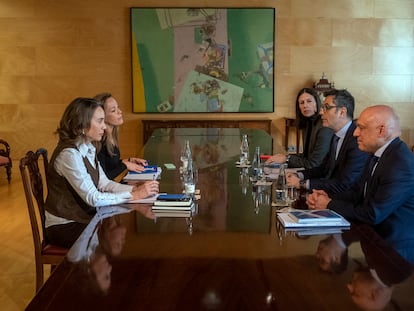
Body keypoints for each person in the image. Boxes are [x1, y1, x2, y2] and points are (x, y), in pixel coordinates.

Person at [44, 97, 159, 248]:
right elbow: (93, 198)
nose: (104, 127)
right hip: (65, 225)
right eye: (100, 121)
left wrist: (137, 190)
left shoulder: (89, 147)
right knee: (113, 239)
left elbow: (104, 183)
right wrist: (134, 195)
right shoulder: (69, 155)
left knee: (119, 230)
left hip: (84, 218)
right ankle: (82, 271)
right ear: (82, 125)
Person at [308, 105, 414, 263]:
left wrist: (329, 204)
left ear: (381, 130)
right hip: (372, 239)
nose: (356, 133)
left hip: (394, 254)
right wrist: (327, 197)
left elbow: (372, 214)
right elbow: (358, 193)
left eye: (361, 128)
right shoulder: (378, 153)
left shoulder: (400, 164)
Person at [286, 89, 369, 195]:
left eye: (327, 108)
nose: (321, 112)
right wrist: (299, 175)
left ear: (342, 112)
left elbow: (344, 184)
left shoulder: (356, 140)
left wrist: (302, 184)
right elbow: (324, 169)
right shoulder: (336, 136)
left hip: (345, 200)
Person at [266, 87, 334, 168]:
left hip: (321, 175)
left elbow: (313, 163)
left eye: (309, 101)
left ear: (317, 104)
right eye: (301, 103)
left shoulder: (324, 126)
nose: (305, 105)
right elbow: (307, 156)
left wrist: (287, 159)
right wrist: (285, 157)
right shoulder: (307, 123)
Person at [94, 92, 147, 180]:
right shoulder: (99, 141)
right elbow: (102, 178)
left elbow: (109, 165)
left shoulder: (111, 137)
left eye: (118, 107)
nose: (120, 112)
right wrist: (125, 165)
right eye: (113, 110)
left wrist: (129, 160)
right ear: (101, 116)